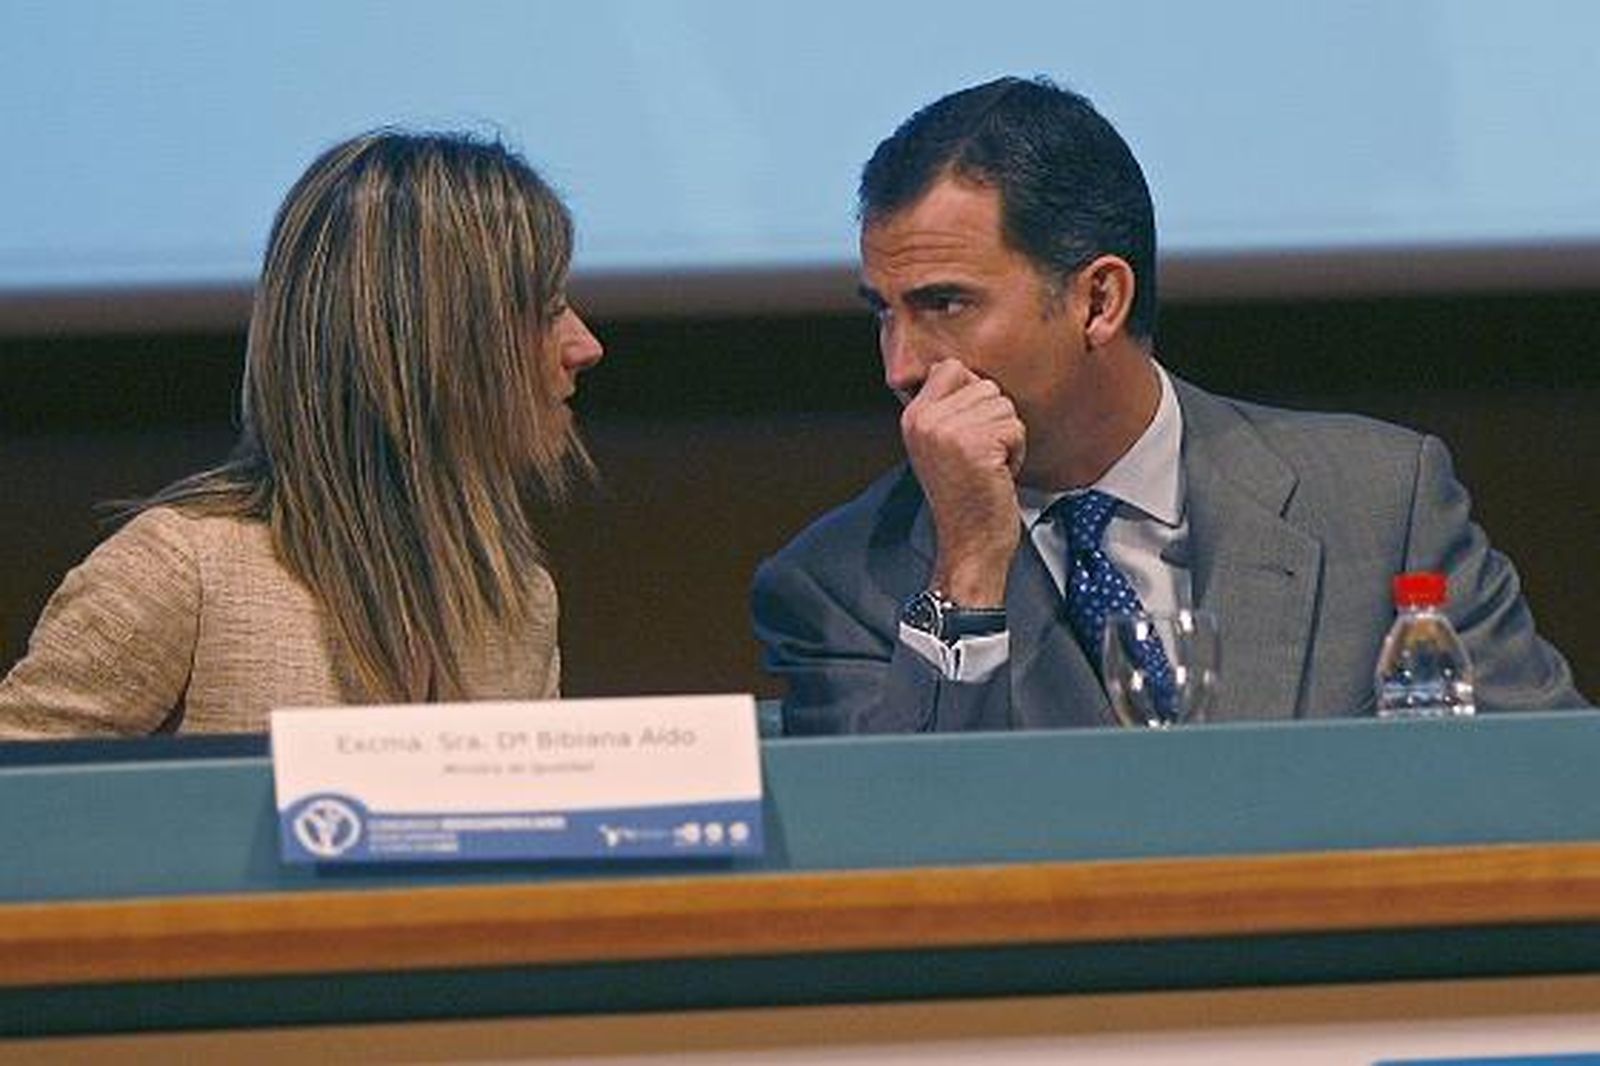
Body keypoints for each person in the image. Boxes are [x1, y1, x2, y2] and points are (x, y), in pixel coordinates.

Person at [751, 75, 1586, 734]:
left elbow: (1546, 793)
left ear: (1098, 301)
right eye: (883, 312)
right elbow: (895, 852)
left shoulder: (1381, 500)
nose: (901, 366)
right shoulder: (837, 585)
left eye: (946, 305)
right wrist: (968, 564)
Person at [0, 130, 604, 738]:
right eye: (549, 308)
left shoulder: (520, 602)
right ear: (430, 344)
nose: (586, 346)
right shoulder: (182, 569)